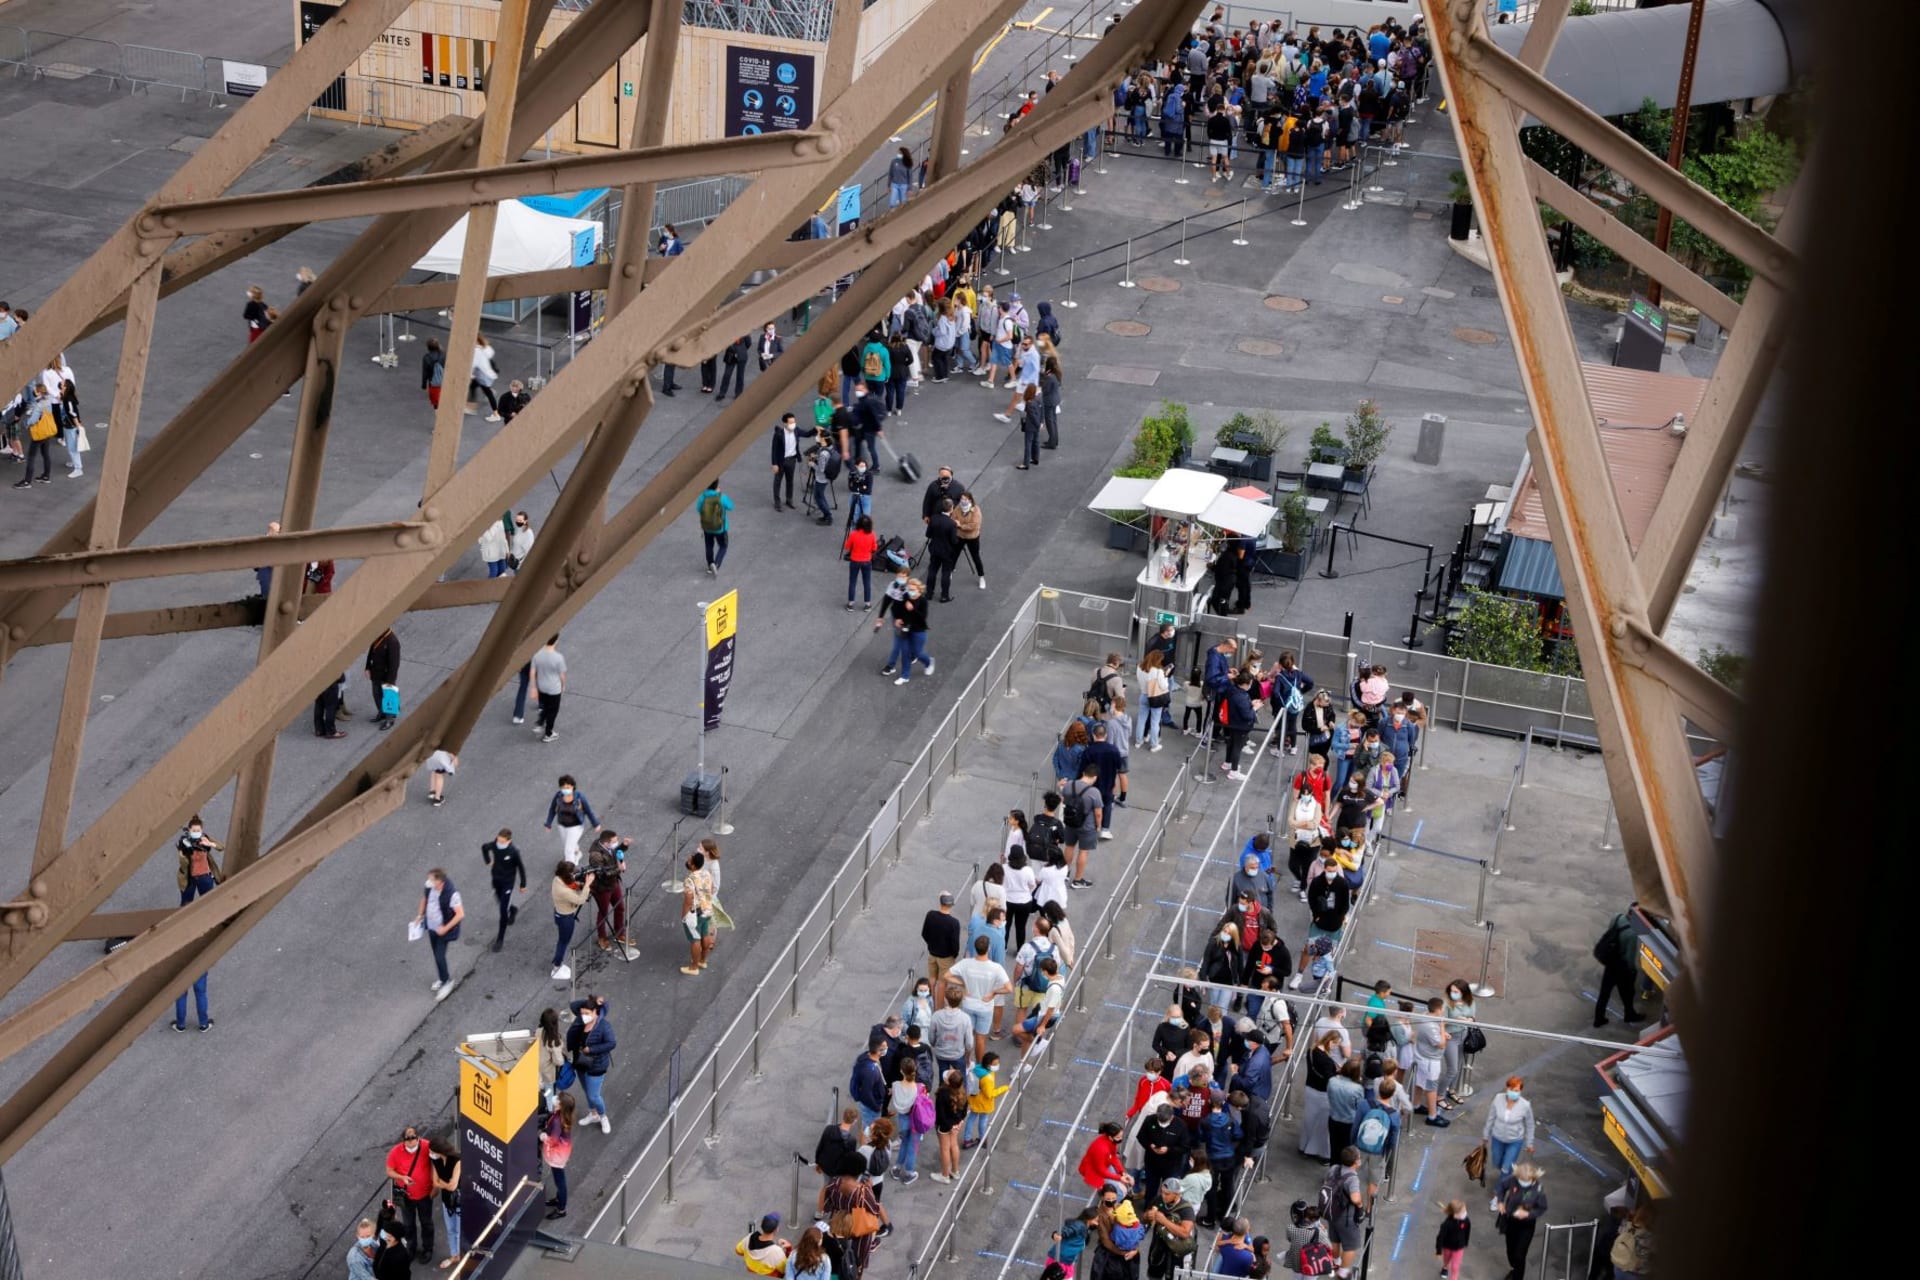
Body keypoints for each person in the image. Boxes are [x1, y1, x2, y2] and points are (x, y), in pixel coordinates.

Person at [1291, 858, 1351, 988]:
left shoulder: (1342, 883)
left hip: (1335, 924)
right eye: (1330, 871)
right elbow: (1312, 900)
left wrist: (1340, 918)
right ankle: (1299, 975)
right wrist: (1316, 915)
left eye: (1334, 871)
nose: (1332, 873)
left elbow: (1346, 903)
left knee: (1329, 953)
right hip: (1319, 923)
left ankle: (1325, 980)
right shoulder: (1317, 882)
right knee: (1308, 948)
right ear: (1325, 869)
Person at [817, 1171, 888, 1278]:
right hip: (844, 1271)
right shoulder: (863, 1194)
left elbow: (825, 1206)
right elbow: (875, 1210)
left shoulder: (824, 1237)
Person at [564, 994, 616, 1132]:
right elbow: (574, 1006)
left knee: (594, 1095)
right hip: (581, 1063)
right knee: (587, 1091)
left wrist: (591, 1049)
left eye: (587, 1013)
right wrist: (591, 1002)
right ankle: (593, 1114)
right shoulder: (581, 1022)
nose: (583, 1015)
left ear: (596, 1012)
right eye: (582, 1013)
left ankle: (603, 1116)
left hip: (596, 1066)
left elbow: (611, 1043)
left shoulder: (604, 1026)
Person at [385, 1126, 436, 1261]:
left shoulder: (427, 1146)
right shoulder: (395, 1152)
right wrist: (402, 1178)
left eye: (414, 1137)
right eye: (408, 1139)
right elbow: (389, 1171)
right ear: (403, 1140)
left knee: (427, 1223)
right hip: (406, 1196)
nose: (411, 1141)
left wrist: (435, 1187)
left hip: (425, 1194)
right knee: (408, 1225)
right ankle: (411, 1248)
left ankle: (428, 1249)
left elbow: (436, 1163)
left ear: (418, 1137)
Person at [413, 869, 465, 1000]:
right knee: (436, 954)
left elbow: (460, 914)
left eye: (431, 879)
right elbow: (424, 899)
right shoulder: (430, 886)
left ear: (439, 881)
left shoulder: (452, 894)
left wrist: (445, 928)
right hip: (431, 927)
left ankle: (447, 982)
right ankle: (442, 979)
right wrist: (420, 915)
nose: (428, 881)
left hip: (444, 930)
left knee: (439, 955)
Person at [1492, 1162, 1547, 1279]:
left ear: (1532, 1178)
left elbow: (1542, 1207)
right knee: (1510, 1250)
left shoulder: (1538, 1189)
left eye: (1525, 1181)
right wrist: (1500, 1201)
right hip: (1510, 1221)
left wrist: (1528, 1214)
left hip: (1526, 1225)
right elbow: (1501, 1187)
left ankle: (1517, 1276)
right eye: (1521, 1180)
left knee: (1520, 1255)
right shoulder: (1513, 1179)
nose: (1522, 1183)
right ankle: (1514, 1268)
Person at [1592, 906, 1644, 1027]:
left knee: (1604, 993)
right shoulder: (1632, 934)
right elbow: (1630, 958)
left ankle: (1598, 1019)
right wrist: (1633, 972)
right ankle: (1630, 1014)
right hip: (1621, 967)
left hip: (1610, 961)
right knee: (1627, 993)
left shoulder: (1617, 917)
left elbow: (1611, 932)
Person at [1322, 1146, 1371, 1275]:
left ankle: (1335, 1263)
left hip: (1331, 1211)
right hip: (1345, 1217)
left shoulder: (1334, 1168)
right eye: (1359, 1158)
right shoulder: (1352, 1178)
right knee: (1351, 1245)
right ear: (1356, 1162)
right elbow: (1355, 1198)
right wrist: (1360, 1205)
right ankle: (1343, 1272)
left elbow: (1326, 1182)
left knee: (1335, 1239)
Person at [585, 829, 632, 954]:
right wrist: (619, 868)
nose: (616, 843)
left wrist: (624, 846)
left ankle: (619, 933)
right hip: (602, 887)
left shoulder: (607, 847)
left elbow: (616, 852)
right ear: (606, 843)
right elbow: (603, 874)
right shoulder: (595, 855)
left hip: (613, 883)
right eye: (615, 841)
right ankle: (602, 937)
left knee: (620, 907)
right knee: (603, 912)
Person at [480, 828, 528, 953]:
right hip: (496, 880)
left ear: (509, 841)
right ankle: (513, 909)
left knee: (502, 911)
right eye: (498, 840)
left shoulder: (513, 852)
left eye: (502, 841)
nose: (499, 843)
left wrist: (523, 884)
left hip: (508, 882)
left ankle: (500, 939)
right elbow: (484, 847)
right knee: (499, 900)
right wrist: (488, 861)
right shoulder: (495, 845)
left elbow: (521, 868)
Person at [1483, 1075, 1536, 1182]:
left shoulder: (1525, 1105)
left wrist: (1529, 1143)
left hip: (1514, 1141)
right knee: (1497, 1162)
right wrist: (1485, 1134)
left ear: (1520, 1091)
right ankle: (1503, 1171)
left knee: (1506, 1168)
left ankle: (1499, 1192)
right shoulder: (1498, 1098)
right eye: (1511, 1089)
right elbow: (1491, 1117)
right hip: (1497, 1138)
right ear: (1507, 1088)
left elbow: (1530, 1124)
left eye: (1516, 1090)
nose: (1513, 1092)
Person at [1143, 1177, 1197, 1280]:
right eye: (1162, 1192)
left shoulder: (1186, 1209)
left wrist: (1164, 1221)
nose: (1163, 1196)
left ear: (1177, 1194)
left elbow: (1185, 1233)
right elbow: (1144, 1217)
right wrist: (1147, 1216)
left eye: (1167, 1194)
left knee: (1173, 1276)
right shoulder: (1158, 1200)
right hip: (1158, 1247)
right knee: (1154, 1275)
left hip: (1176, 1252)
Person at [549, 860, 592, 981]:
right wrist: (587, 884)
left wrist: (578, 884)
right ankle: (557, 965)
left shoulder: (557, 879)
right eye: (572, 874)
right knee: (563, 942)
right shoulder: (564, 891)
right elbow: (580, 900)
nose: (574, 875)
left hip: (559, 914)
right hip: (566, 918)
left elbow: (570, 884)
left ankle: (557, 961)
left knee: (561, 941)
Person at [680, 848, 718, 976]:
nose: (687, 861)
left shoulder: (689, 880)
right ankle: (702, 960)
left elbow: (688, 899)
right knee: (705, 934)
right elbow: (712, 889)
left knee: (694, 939)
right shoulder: (706, 873)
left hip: (695, 913)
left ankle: (693, 967)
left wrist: (684, 914)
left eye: (689, 860)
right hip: (708, 909)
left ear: (692, 865)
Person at [544, 775, 598, 860]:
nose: (565, 790)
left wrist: (596, 824)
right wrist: (548, 823)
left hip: (576, 826)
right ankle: (577, 852)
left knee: (568, 850)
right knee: (568, 844)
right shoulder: (558, 796)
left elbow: (588, 811)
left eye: (568, 787)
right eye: (563, 787)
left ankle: (570, 870)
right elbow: (552, 809)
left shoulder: (579, 797)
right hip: (562, 825)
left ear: (572, 786)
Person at [428, 1131, 461, 1268]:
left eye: (432, 1151)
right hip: (446, 1201)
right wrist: (446, 1184)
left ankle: (462, 1255)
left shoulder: (457, 1160)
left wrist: (444, 1184)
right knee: (451, 1229)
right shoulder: (436, 1160)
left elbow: (453, 1186)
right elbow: (435, 1182)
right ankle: (455, 1255)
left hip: (459, 1201)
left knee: (460, 1231)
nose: (430, 1153)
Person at [529, 634, 567, 743]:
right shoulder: (558, 657)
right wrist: (563, 685)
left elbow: (532, 672)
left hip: (541, 686)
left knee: (545, 706)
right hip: (554, 689)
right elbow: (562, 675)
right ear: (555, 642)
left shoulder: (537, 655)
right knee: (553, 711)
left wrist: (533, 687)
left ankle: (540, 723)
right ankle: (549, 734)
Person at [964, 1051, 1006, 1147]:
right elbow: (990, 1094)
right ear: (988, 1065)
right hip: (983, 1102)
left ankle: (967, 1139)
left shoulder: (977, 1068)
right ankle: (983, 1140)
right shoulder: (987, 1078)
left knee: (971, 1118)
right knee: (983, 1120)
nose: (997, 1065)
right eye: (995, 1064)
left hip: (974, 1099)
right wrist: (1004, 1088)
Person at [921, 890, 962, 986]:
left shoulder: (930, 915)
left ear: (940, 902)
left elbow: (924, 933)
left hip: (932, 953)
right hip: (946, 957)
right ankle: (939, 1001)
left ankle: (932, 999)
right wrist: (954, 955)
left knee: (932, 978)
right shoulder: (954, 923)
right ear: (951, 905)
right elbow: (955, 944)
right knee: (943, 982)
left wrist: (931, 944)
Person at [926, 497, 961, 602]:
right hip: (947, 552)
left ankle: (929, 593)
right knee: (946, 573)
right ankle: (944, 596)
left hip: (935, 549)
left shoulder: (934, 518)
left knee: (932, 570)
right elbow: (954, 541)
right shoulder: (951, 524)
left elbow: (928, 534)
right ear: (951, 508)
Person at [366, 625, 401, 731]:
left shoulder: (392, 642)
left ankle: (390, 719)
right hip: (375, 674)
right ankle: (381, 713)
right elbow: (371, 652)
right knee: (377, 695)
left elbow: (394, 664)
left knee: (389, 698)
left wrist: (391, 681)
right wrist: (367, 667)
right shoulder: (378, 636)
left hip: (386, 676)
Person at [697, 479, 735, 576]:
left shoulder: (703, 496)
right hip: (720, 528)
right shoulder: (721, 497)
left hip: (707, 527)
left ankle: (710, 563)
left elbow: (698, 508)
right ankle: (716, 564)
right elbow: (731, 506)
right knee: (723, 546)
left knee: (709, 545)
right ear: (717, 486)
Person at [736, 1211, 791, 1276]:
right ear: (776, 1230)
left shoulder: (749, 1237)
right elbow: (785, 1269)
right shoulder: (776, 1252)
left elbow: (738, 1251)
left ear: (761, 1225)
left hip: (751, 1274)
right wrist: (789, 1249)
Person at [849, 1037, 888, 1129]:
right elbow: (867, 1093)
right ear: (879, 1051)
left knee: (868, 1125)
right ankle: (868, 1142)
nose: (887, 1048)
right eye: (885, 1047)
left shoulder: (866, 1057)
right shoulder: (870, 1071)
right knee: (870, 1127)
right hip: (871, 1106)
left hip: (871, 1102)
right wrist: (876, 1107)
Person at [952, 491, 985, 589]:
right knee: (955, 553)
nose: (963, 501)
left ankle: (981, 577)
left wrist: (960, 525)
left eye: (965, 499)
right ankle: (950, 569)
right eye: (962, 499)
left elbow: (974, 526)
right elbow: (953, 517)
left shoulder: (976, 510)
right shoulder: (958, 508)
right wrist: (956, 523)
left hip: (972, 538)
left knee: (976, 557)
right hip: (960, 536)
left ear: (970, 500)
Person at [843, 514, 877, 611]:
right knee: (867, 582)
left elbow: (847, 546)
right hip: (867, 561)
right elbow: (874, 548)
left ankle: (850, 604)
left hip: (855, 560)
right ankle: (867, 604)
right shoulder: (872, 534)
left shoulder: (854, 534)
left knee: (853, 582)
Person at [1434, 1199, 1470, 1280]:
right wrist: (1438, 1252)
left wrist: (1465, 1242)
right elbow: (1440, 1238)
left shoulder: (1466, 1220)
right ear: (1455, 1214)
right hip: (1448, 1247)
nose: (1465, 1213)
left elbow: (1467, 1231)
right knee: (1446, 1260)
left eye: (1465, 1210)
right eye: (1463, 1211)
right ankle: (1445, 1267)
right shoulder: (1446, 1224)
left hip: (1459, 1248)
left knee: (1455, 1267)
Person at [467, 337, 502, 420]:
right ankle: (471, 406)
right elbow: (491, 353)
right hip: (488, 373)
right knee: (473, 386)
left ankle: (496, 414)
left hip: (483, 376)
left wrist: (470, 375)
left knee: (488, 393)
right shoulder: (485, 347)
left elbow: (473, 364)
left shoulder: (476, 351)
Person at [419, 338, 445, 409]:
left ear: (428, 347)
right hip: (444, 382)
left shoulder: (426, 358)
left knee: (436, 404)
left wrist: (424, 385)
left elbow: (425, 373)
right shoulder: (443, 355)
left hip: (433, 384)